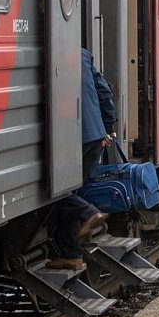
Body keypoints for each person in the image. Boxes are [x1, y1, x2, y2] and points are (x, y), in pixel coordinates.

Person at [48, 49, 116, 270]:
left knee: (59, 192)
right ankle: (71, 255)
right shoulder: (83, 55)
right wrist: (107, 127)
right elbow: (104, 91)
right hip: (94, 134)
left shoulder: (50, 51)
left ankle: (89, 213)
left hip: (72, 135)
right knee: (72, 191)